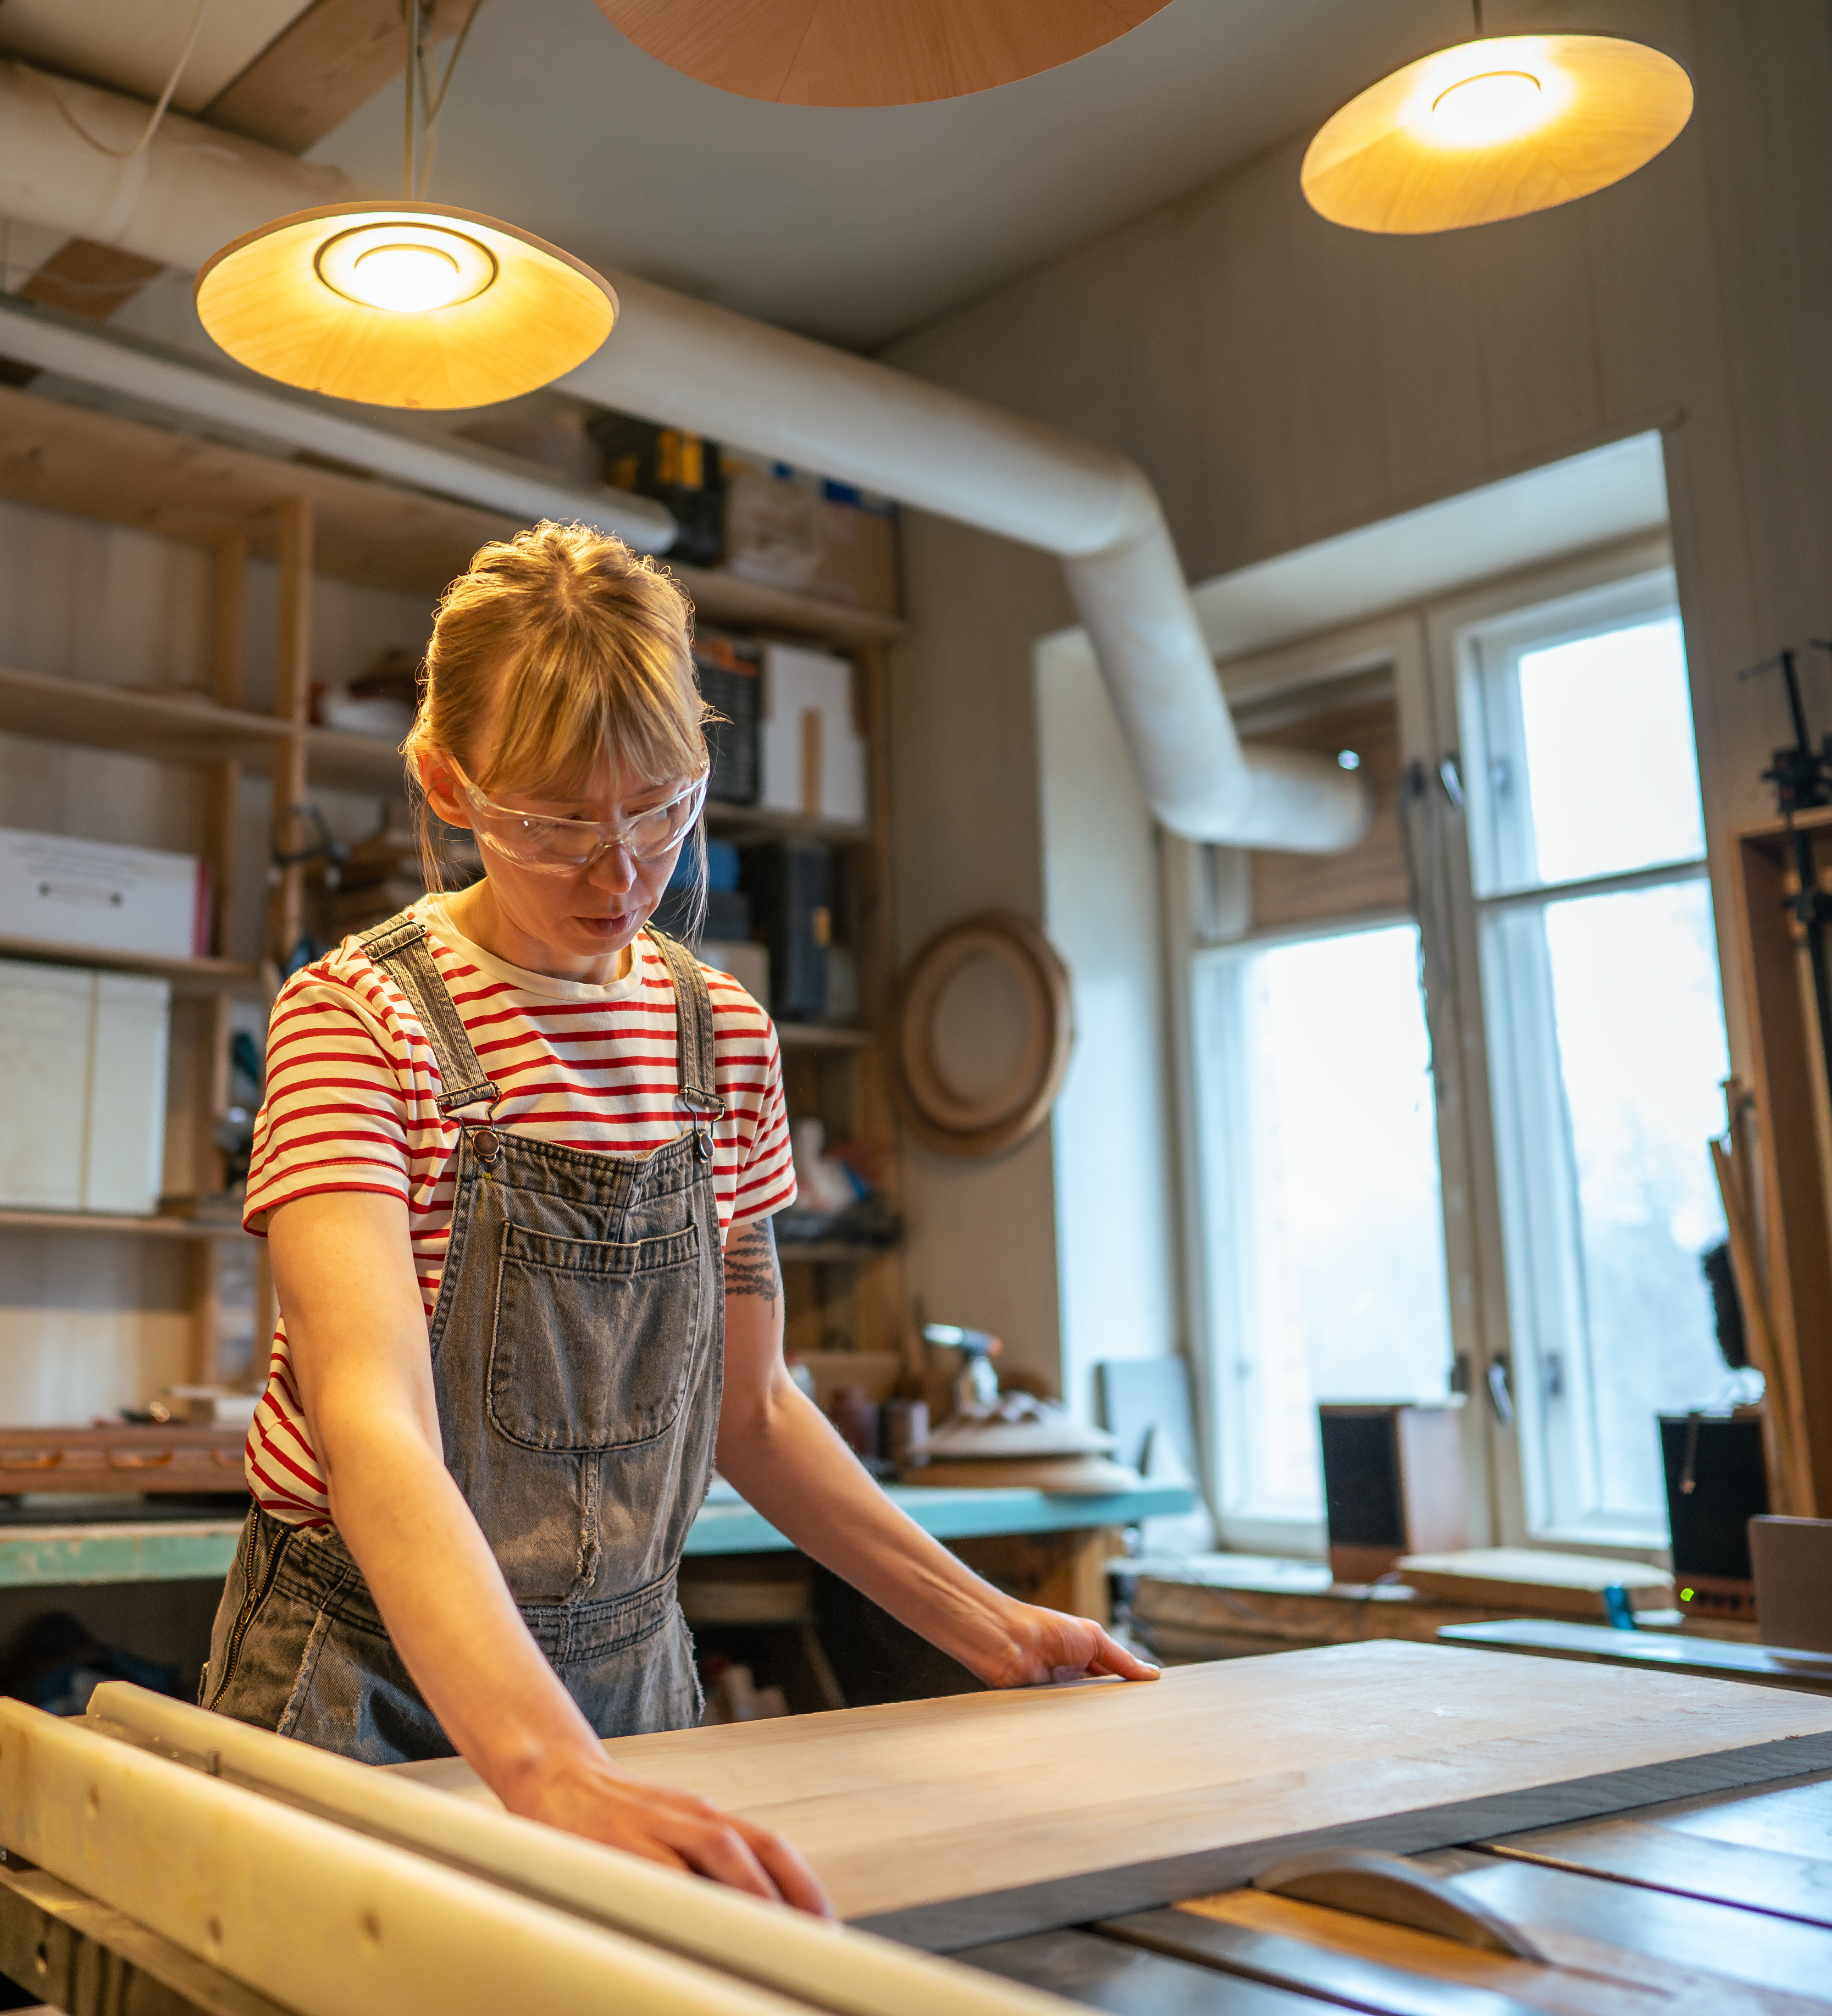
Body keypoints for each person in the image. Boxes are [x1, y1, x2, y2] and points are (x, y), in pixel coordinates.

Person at [202, 521, 1154, 1914]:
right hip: (366, 1683)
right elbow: (376, 1428)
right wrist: (545, 1770)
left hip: (634, 1675)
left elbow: (750, 1409)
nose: (623, 871)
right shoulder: (359, 1019)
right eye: (557, 823)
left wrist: (995, 1627)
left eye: (661, 808)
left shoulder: (729, 1045)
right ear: (443, 783)